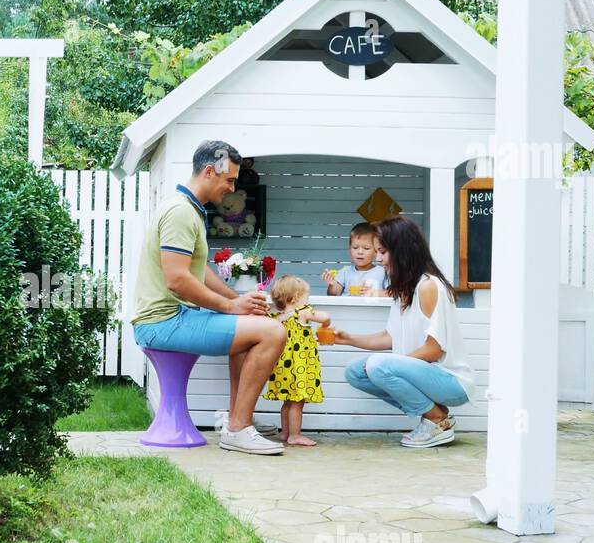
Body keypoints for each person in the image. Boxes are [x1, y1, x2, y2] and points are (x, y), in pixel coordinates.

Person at [131, 140, 286, 455]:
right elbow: (177, 280)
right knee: (274, 332)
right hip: (162, 323)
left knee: (252, 323)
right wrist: (231, 306)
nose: (231, 188)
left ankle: (237, 420)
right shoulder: (180, 213)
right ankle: (240, 429)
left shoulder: (188, 209)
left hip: (173, 318)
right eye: (229, 180)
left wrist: (240, 302)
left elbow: (198, 272)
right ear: (207, 171)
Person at [332, 216, 474, 448]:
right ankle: (434, 413)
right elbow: (390, 338)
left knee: (378, 366)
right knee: (355, 372)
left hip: (451, 381)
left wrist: (390, 365)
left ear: (402, 251)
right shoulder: (403, 288)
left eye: (383, 252)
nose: (378, 259)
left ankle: (438, 421)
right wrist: (348, 339)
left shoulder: (428, 286)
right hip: (424, 374)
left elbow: (434, 349)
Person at [262, 275, 330, 447]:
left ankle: (285, 432)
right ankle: (295, 435)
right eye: (306, 296)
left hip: (283, 367)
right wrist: (326, 323)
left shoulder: (277, 318)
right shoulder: (303, 312)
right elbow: (325, 317)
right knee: (297, 402)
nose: (308, 300)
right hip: (299, 367)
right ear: (295, 298)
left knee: (288, 401)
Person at [322, 222, 388, 296]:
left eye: (366, 248)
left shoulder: (382, 272)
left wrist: (374, 292)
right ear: (349, 249)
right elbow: (334, 294)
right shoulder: (344, 272)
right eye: (355, 247)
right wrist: (332, 284)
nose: (360, 252)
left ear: (376, 251)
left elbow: (392, 293)